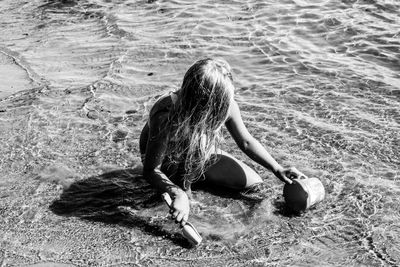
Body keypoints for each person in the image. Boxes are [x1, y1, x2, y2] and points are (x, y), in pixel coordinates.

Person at [140, 58, 304, 226]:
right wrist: (177, 193)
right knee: (187, 183)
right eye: (220, 105)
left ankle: (193, 183)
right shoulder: (166, 113)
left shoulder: (226, 104)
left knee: (253, 184)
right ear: (202, 102)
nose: (224, 108)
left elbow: (246, 141)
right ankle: (185, 191)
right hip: (169, 160)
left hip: (198, 154)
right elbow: (151, 169)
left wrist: (277, 168)